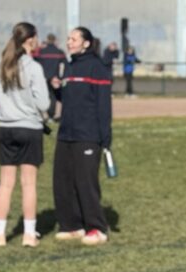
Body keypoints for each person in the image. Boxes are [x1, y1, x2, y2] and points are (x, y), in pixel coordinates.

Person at [0, 22, 51, 248]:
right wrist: (32, 105)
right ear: (30, 39)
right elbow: (44, 102)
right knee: (28, 184)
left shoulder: (0, 65)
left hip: (6, 127)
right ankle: (29, 234)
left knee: (5, 184)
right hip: (29, 128)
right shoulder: (33, 67)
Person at [50, 27, 112, 245]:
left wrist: (105, 138)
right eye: (68, 38)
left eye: (74, 39)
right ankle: (71, 225)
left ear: (86, 43)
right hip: (66, 132)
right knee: (63, 181)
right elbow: (67, 99)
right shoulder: (68, 66)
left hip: (88, 135)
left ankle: (96, 228)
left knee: (86, 182)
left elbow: (104, 106)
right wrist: (57, 88)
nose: (69, 42)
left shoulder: (97, 67)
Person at [34, 33, 65, 120]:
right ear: (55, 40)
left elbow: (34, 59)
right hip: (56, 77)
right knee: (59, 96)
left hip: (44, 77)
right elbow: (64, 64)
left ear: (47, 40)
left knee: (43, 95)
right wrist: (61, 77)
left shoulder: (42, 52)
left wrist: (39, 47)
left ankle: (45, 115)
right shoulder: (60, 52)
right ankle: (57, 114)